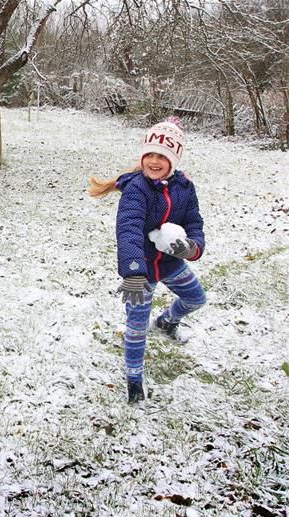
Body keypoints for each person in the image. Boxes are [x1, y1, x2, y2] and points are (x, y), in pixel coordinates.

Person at [88, 117, 207, 403]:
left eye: (162, 156)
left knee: (196, 298)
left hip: (170, 262)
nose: (154, 161)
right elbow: (128, 230)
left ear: (173, 159)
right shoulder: (137, 189)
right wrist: (133, 272)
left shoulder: (184, 187)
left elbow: (194, 221)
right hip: (141, 269)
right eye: (149, 154)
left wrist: (192, 248)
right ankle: (134, 380)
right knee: (137, 326)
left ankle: (166, 322)